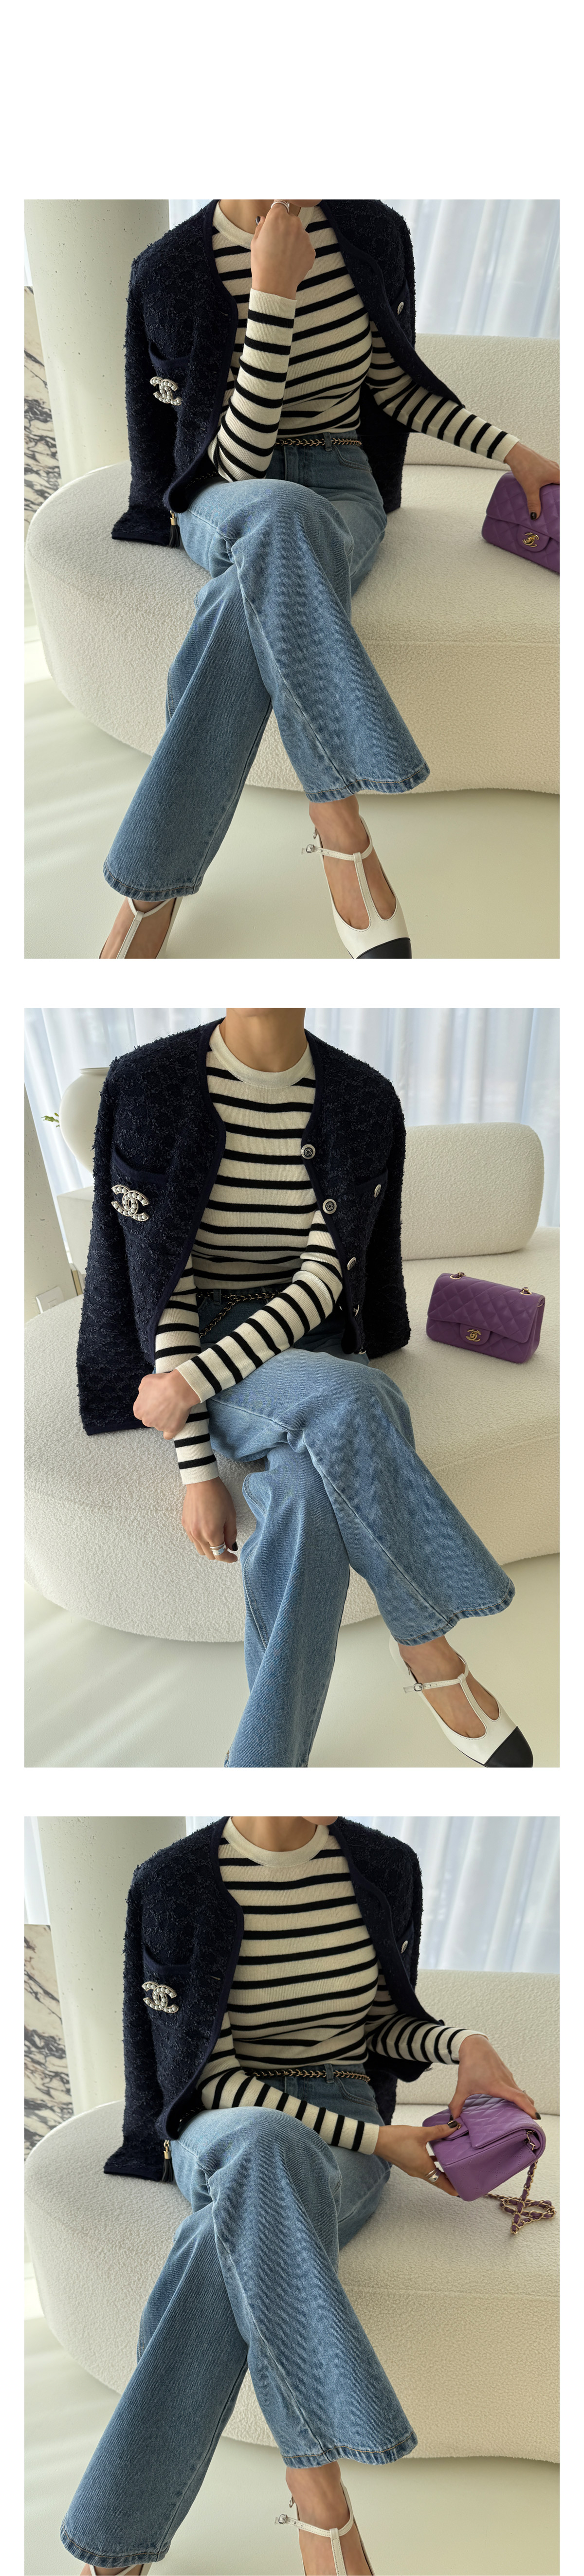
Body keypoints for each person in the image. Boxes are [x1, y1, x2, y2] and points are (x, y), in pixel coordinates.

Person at [60, 1814, 541, 2576]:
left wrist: (465, 2043)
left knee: (222, 2236)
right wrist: (380, 2140)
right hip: (227, 2121)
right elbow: (209, 2075)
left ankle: (115, 2537)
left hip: (345, 2112)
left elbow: (381, 2023)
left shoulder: (383, 1864)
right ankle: (320, 2489)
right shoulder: (175, 1882)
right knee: (265, 2146)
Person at [99, 199, 559, 961]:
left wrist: (512, 451)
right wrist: (272, 295)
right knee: (282, 515)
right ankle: (340, 822)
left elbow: (396, 384)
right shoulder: (170, 271)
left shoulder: (370, 231)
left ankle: (151, 882)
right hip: (227, 494)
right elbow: (233, 465)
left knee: (249, 592)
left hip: (344, 482)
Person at [76, 1009, 533, 1768]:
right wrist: (196, 1467)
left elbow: (327, 1279)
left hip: (306, 1334)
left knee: (304, 1497)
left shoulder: (362, 1098)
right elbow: (163, 1287)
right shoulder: (150, 1085)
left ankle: (265, 1769)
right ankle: (428, 1646)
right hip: (204, 1337)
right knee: (360, 1398)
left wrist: (187, 1386)